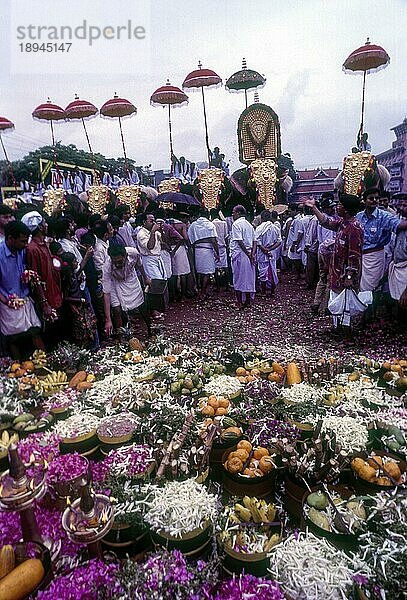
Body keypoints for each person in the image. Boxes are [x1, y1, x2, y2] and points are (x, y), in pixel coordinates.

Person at [304, 194, 364, 333]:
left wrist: (349, 276)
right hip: (337, 270)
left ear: (347, 210)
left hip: (346, 272)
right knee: (336, 299)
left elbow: (354, 255)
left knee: (345, 301)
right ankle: (337, 327)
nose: (338, 207)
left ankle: (346, 330)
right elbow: (326, 222)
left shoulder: (354, 228)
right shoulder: (343, 223)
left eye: (340, 205)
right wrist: (314, 207)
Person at [0, 220, 44, 358]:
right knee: (14, 338)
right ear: (10, 239)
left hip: (25, 299)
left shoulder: (23, 251)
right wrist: (6, 301)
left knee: (34, 331)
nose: (26, 244)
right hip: (8, 302)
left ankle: (45, 361)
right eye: (22, 241)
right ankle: (19, 370)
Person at [356, 188, 405, 292]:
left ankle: (371, 307)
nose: (375, 200)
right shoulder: (359, 216)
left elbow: (399, 224)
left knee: (371, 289)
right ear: (364, 201)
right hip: (359, 255)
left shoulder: (385, 216)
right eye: (371, 198)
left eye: (377, 198)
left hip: (375, 257)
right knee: (358, 286)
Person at [103, 244, 152, 340]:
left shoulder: (133, 253)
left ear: (125, 255)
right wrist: (108, 320)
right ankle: (121, 338)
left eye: (120, 261)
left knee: (142, 305)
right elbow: (106, 293)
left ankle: (150, 329)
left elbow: (140, 265)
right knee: (116, 310)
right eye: (115, 262)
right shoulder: (107, 267)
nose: (117, 264)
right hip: (115, 283)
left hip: (131, 279)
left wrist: (146, 278)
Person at [23, 211, 63, 315]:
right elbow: (35, 278)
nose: (47, 225)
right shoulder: (32, 249)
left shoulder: (44, 244)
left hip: (54, 294)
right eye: (45, 223)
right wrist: (44, 303)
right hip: (47, 299)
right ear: (40, 227)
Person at [60, 251, 97, 348]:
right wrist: (80, 300)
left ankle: (92, 348)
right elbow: (66, 297)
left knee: (90, 326)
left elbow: (80, 269)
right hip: (76, 306)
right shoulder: (67, 278)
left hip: (81, 305)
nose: (77, 263)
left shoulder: (73, 274)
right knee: (81, 330)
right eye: (75, 261)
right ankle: (84, 350)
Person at [137, 213, 167, 317]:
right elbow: (150, 246)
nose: (153, 222)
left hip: (158, 258)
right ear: (144, 222)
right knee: (154, 284)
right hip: (148, 259)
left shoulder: (155, 231)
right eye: (151, 221)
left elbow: (164, 242)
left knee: (160, 282)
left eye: (154, 220)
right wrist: (153, 232)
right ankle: (153, 310)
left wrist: (161, 230)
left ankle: (158, 308)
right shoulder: (141, 233)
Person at [312, 194, 337, 315]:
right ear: (325, 208)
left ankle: (317, 303)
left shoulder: (325, 219)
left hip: (322, 250)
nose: (333, 209)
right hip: (328, 251)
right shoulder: (328, 220)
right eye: (331, 207)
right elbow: (326, 240)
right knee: (328, 279)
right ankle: (325, 307)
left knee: (322, 278)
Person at [188, 208, 219, 300]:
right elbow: (213, 241)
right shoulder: (210, 224)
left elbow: (190, 239)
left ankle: (202, 291)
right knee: (207, 272)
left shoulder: (193, 225)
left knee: (200, 272)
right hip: (207, 250)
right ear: (208, 215)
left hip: (197, 250)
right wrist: (217, 253)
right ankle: (202, 292)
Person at [230, 205, 256, 308]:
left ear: (239, 213)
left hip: (241, 254)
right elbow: (255, 242)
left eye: (234, 212)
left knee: (238, 278)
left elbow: (239, 241)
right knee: (248, 278)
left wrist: (249, 254)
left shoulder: (236, 224)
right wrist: (252, 254)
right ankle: (248, 301)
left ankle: (239, 302)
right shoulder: (249, 225)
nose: (232, 214)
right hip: (248, 253)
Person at [254, 209, 282, 296]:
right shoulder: (275, 228)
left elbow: (256, 241)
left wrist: (264, 249)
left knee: (263, 272)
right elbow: (279, 241)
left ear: (261, 218)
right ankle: (272, 291)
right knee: (273, 270)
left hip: (263, 253)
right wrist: (270, 249)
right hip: (272, 252)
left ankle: (263, 291)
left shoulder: (259, 228)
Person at [388, 194, 407, 309]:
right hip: (397, 267)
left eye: (405, 205)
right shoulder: (398, 223)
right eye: (401, 205)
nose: (402, 207)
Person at [210, 208, 229, 290]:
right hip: (223, 246)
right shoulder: (223, 223)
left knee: (216, 267)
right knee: (225, 266)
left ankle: (217, 286)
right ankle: (227, 285)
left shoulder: (211, 224)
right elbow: (226, 236)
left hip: (214, 247)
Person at [286, 204, 305, 279]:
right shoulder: (295, 219)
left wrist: (295, 244)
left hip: (296, 243)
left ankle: (298, 274)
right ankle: (298, 274)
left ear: (295, 211)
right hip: (293, 242)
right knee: (294, 259)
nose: (290, 213)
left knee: (296, 260)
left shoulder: (297, 220)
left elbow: (298, 233)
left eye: (291, 211)